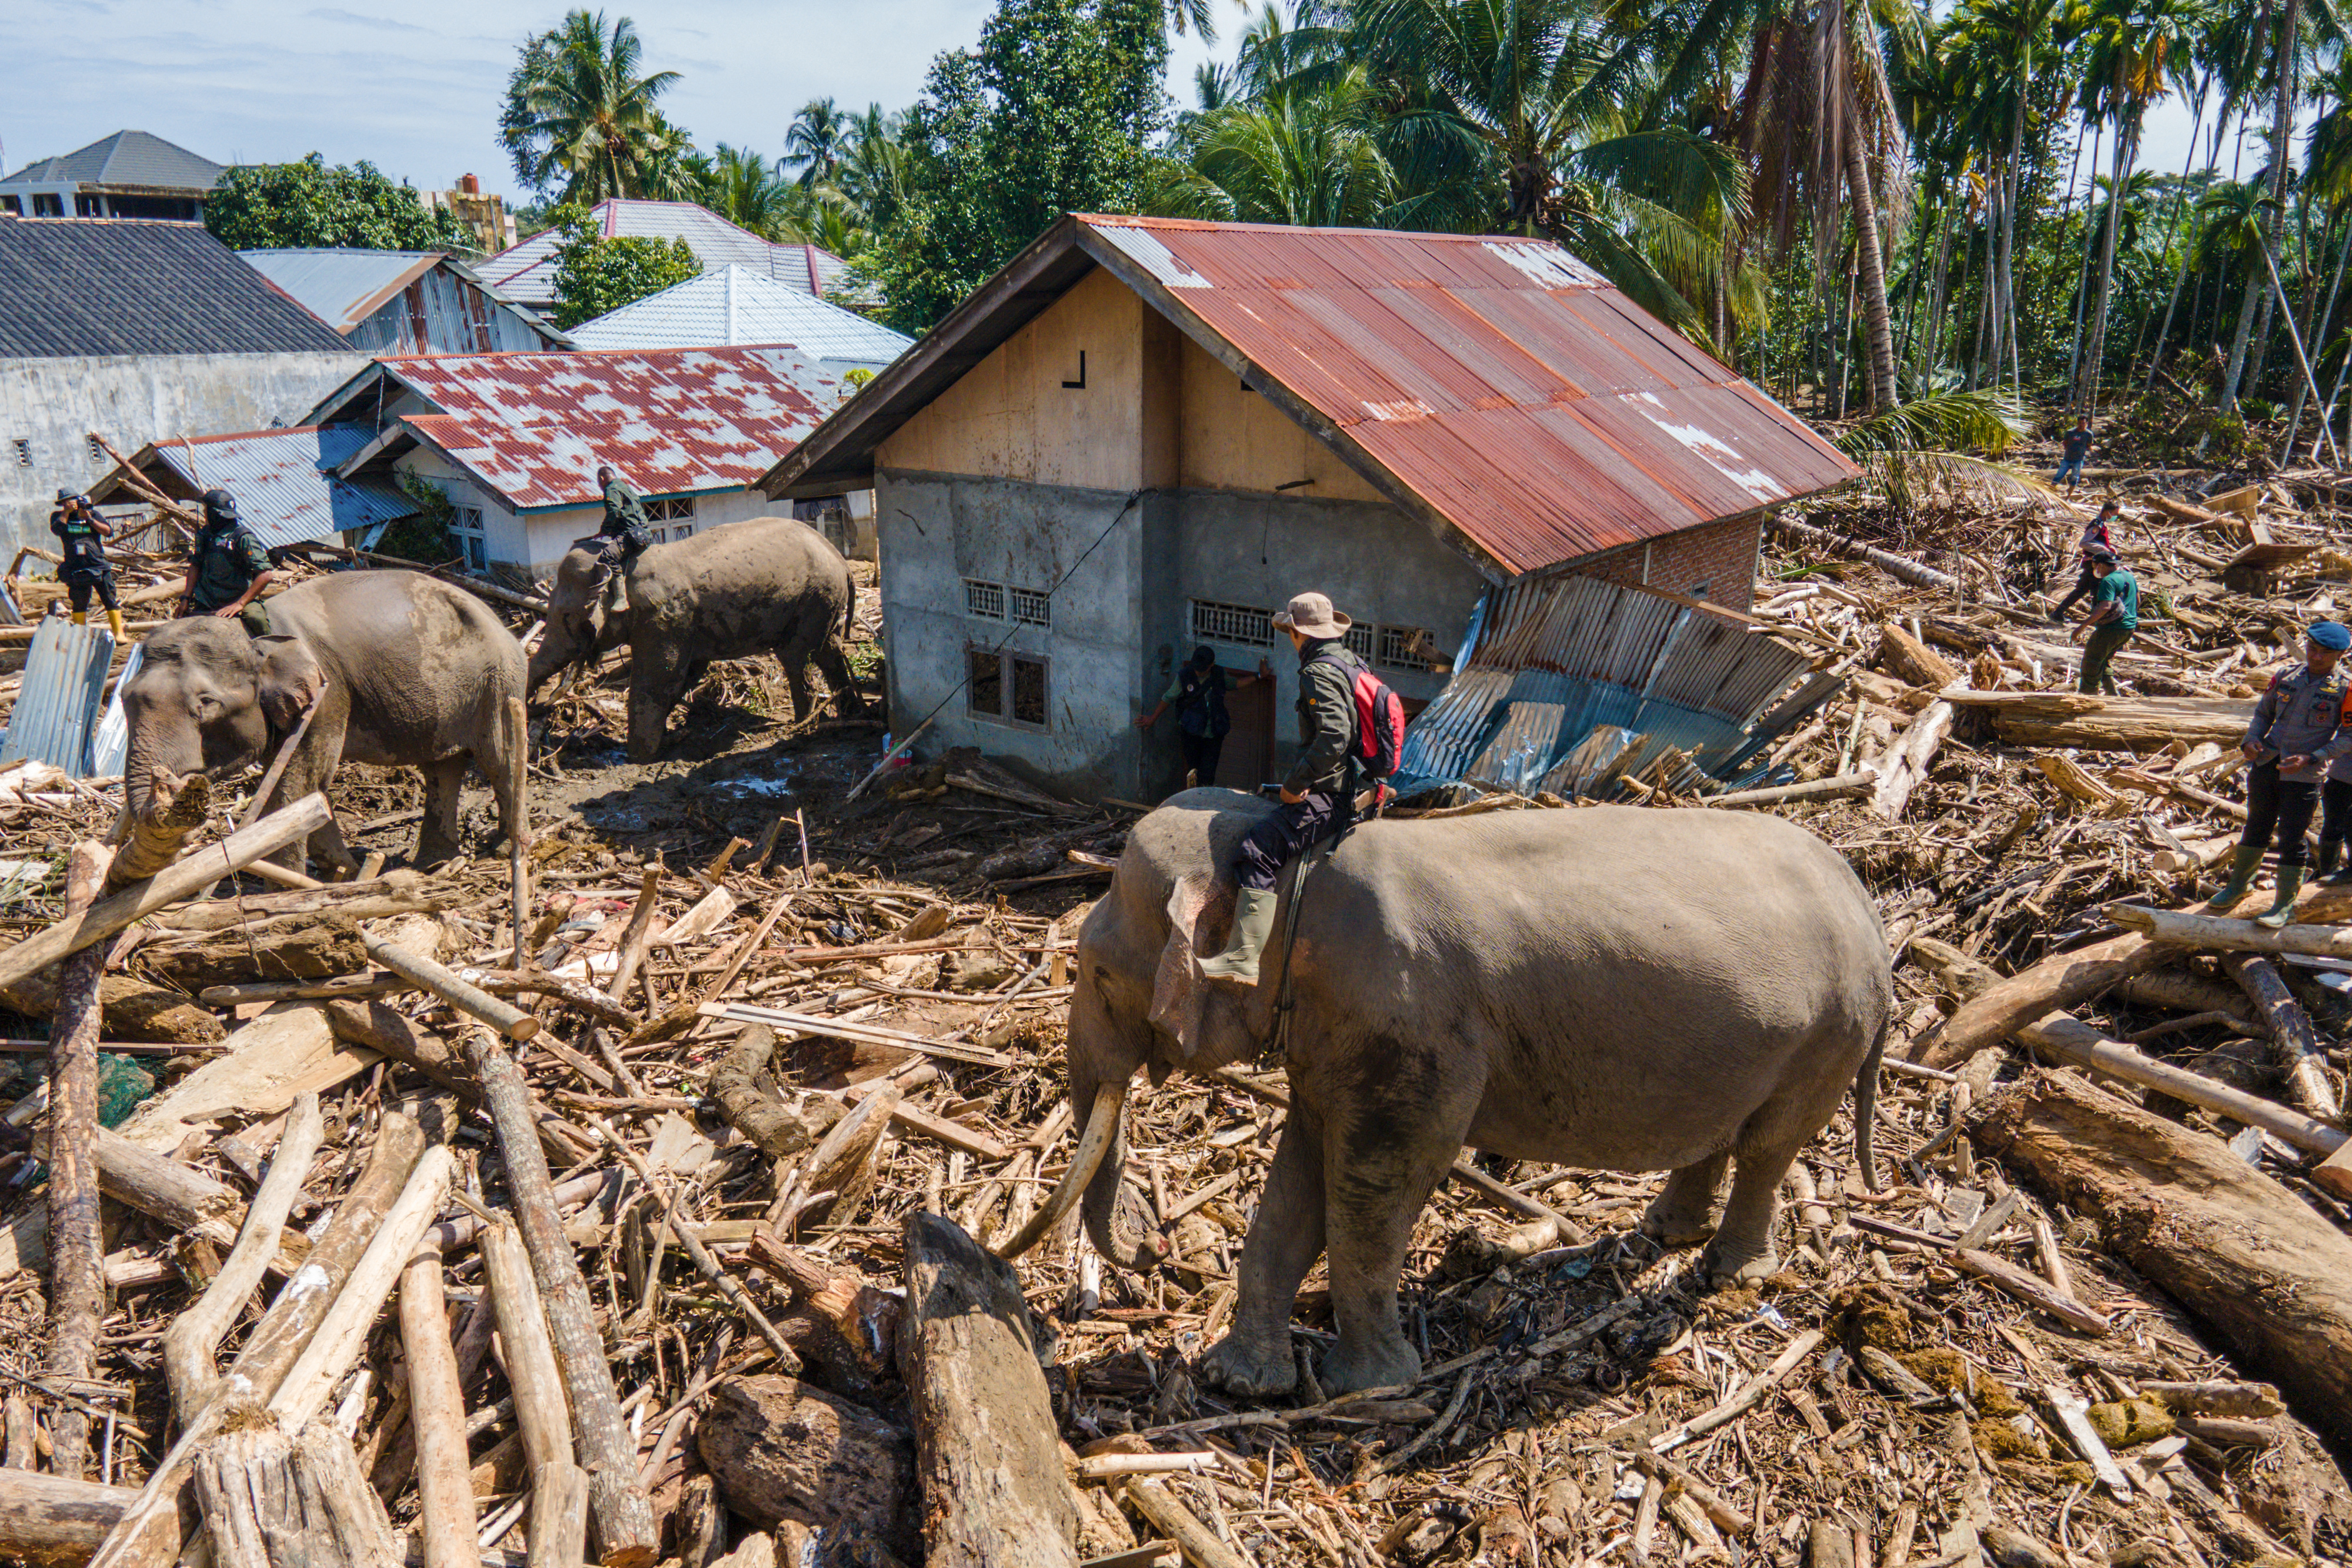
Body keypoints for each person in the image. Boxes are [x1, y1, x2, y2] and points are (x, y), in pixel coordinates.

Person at [1198, 592, 1365, 984]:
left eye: (1290, 630)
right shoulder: (1353, 663)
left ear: (1297, 633)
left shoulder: (1316, 672)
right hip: (1357, 783)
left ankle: (1243, 957)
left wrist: (1295, 784)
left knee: (1258, 848)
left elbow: (1335, 736)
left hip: (1332, 792)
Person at [2213, 622, 2352, 924]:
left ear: (2341, 654)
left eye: (2325, 654)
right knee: (2256, 825)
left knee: (2292, 836)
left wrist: (2314, 757)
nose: (2315, 657)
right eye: (2312, 649)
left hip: (2304, 774)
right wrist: (2251, 739)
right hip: (2267, 762)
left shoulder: (2346, 688)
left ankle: (2284, 906)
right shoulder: (2287, 676)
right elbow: (2263, 714)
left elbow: (2348, 736)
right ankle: (2239, 885)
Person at [1137, 647, 1272, 790]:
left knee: (1208, 775)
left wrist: (1259, 676)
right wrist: (1152, 718)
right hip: (1191, 733)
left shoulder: (1219, 674)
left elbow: (1236, 684)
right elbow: (1168, 698)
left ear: (1211, 665)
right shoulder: (1185, 676)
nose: (1198, 672)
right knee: (1193, 772)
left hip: (1213, 733)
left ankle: (1204, 801)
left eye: (1202, 669)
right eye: (1197, 668)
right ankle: (1194, 800)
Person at [181, 489, 274, 635]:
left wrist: (241, 603)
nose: (204, 514)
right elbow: (195, 565)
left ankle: (271, 650)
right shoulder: (204, 535)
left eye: (206, 510)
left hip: (237, 598)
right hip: (207, 600)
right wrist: (186, 598)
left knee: (257, 620)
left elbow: (266, 574)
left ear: (215, 514)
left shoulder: (243, 537)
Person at [49, 489, 123, 638]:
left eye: (75, 500)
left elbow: (108, 532)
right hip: (75, 567)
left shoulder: (92, 514)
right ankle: (80, 636)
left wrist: (89, 519)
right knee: (79, 602)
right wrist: (67, 513)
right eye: (68, 501)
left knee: (109, 598)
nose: (73, 503)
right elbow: (57, 530)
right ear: (63, 503)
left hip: (98, 564)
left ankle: (119, 633)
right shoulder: (58, 516)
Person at [2067, 544, 2136, 696]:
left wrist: (2081, 627)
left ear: (2101, 565)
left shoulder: (2108, 581)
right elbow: (2137, 598)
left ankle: (2087, 695)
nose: (2095, 569)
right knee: (2103, 660)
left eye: (2095, 566)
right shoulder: (2128, 576)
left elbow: (2105, 606)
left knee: (2091, 661)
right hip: (2128, 628)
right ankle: (2112, 695)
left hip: (2112, 629)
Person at [592, 463, 654, 614]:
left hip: (630, 536)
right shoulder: (625, 487)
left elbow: (614, 511)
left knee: (608, 556)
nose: (600, 486)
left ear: (602, 478)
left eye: (599, 483)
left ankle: (621, 598)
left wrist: (605, 530)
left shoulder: (611, 489)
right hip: (643, 533)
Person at [2048, 499, 2121, 623]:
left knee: (2092, 591)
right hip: (2094, 565)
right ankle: (2060, 613)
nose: (2114, 517)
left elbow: (2099, 541)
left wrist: (2110, 548)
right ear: (2107, 512)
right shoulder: (2097, 525)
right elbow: (2084, 543)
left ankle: (2063, 613)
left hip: (2097, 565)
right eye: (2114, 514)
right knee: (2087, 590)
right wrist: (2103, 550)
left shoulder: (2102, 524)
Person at [2054, 416, 2093, 490]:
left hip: (2078, 460)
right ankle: (2051, 489)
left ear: (2087, 424)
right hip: (2067, 458)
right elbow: (2065, 443)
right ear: (2077, 423)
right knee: (2059, 475)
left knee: (2074, 479)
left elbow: (2089, 445)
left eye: (2083, 423)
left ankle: (2068, 497)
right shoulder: (2070, 432)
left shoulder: (2089, 434)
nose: (2081, 425)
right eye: (2080, 423)